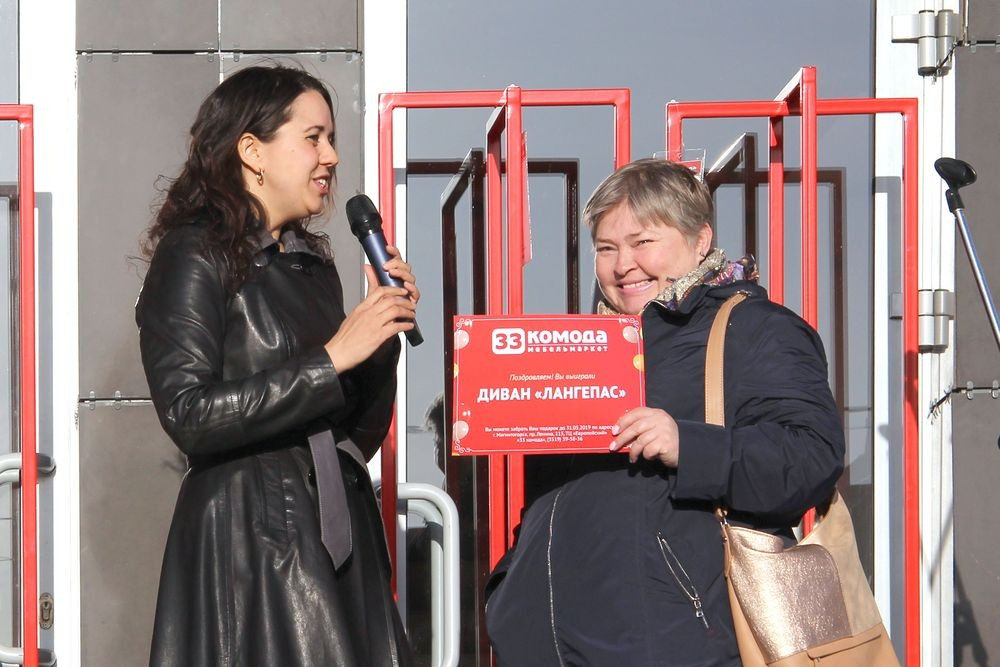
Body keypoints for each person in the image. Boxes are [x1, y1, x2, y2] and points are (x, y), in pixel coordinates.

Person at [485, 158, 846, 666]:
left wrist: (687, 445)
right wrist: (511, 586)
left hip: (680, 644)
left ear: (700, 240)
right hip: (553, 647)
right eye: (606, 248)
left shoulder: (754, 329)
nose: (622, 265)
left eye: (642, 242)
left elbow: (812, 458)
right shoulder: (586, 349)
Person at [136, 64, 419, 666]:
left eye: (332, 139)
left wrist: (380, 339)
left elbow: (356, 438)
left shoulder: (311, 265)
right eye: (313, 137)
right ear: (252, 151)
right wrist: (333, 358)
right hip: (249, 542)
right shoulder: (193, 253)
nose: (331, 157)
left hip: (338, 539)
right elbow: (188, 413)